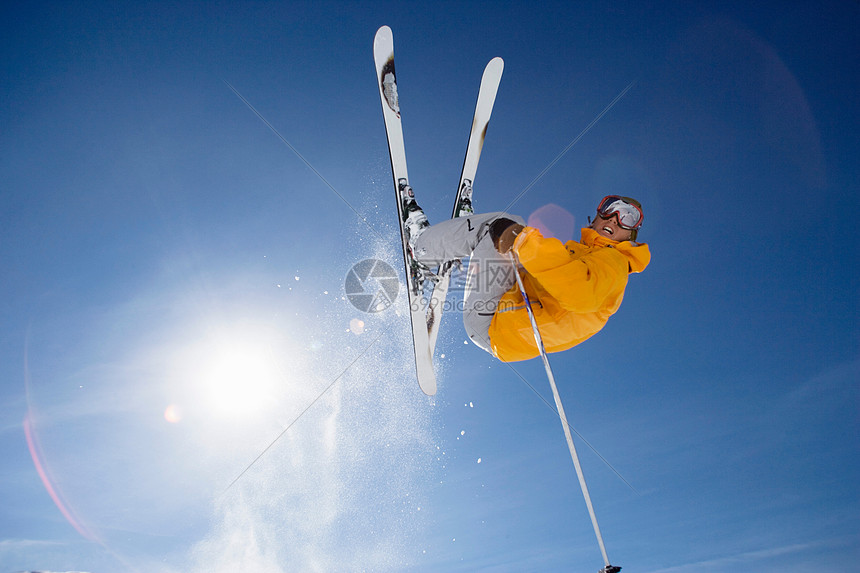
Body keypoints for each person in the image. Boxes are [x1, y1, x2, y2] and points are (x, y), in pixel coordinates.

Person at [403, 193, 651, 362]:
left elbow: (582, 293)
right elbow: (546, 274)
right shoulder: (584, 254)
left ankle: (421, 248)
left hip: (496, 326)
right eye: (610, 209)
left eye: (628, 217)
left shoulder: (614, 264)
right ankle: (461, 238)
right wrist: (516, 241)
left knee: (503, 225)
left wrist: (519, 239)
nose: (615, 219)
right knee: (509, 230)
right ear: (596, 216)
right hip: (510, 310)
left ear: (632, 235)